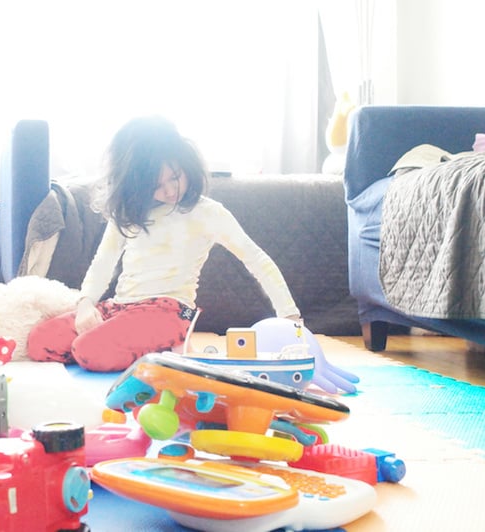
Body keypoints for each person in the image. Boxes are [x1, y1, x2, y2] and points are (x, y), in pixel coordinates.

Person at [26, 115, 301, 372]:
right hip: (120, 308)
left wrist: (290, 317)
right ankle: (147, 353)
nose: (170, 190)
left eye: (175, 177)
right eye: (156, 185)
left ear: (187, 166)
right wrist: (86, 304)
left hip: (169, 312)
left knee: (88, 350)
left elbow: (256, 259)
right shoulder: (129, 213)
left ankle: (163, 349)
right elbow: (103, 263)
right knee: (40, 342)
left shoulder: (208, 212)